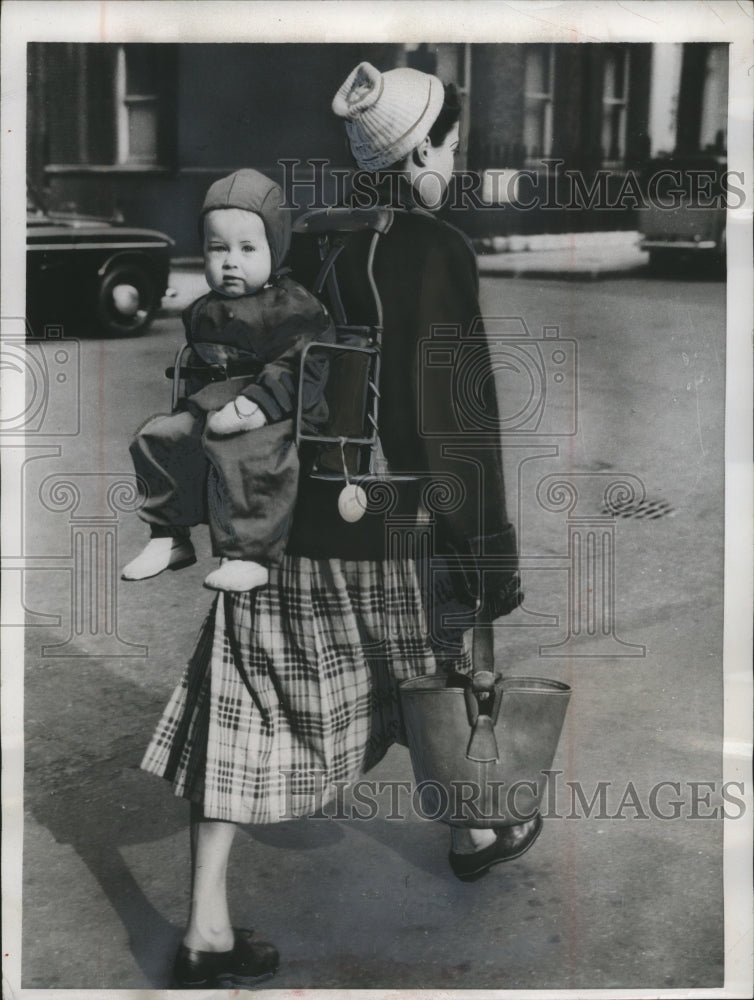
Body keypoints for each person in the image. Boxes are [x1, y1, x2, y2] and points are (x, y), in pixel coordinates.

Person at [140, 63, 535, 990]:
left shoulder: (300, 236)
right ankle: (476, 830)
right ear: (423, 149)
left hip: (275, 525)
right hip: (391, 523)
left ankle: (205, 927)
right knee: (430, 674)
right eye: (451, 145)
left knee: (239, 703)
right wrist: (483, 547)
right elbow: (457, 417)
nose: (454, 161)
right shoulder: (434, 248)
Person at [122, 169, 334, 592]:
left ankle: (248, 554)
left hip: (275, 408)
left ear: (276, 249)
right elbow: (201, 362)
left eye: (248, 248)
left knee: (247, 451)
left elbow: (302, 361)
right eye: (218, 248)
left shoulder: (291, 306)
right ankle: (169, 535)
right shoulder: (206, 308)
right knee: (157, 437)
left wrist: (256, 405)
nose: (231, 261)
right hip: (213, 401)